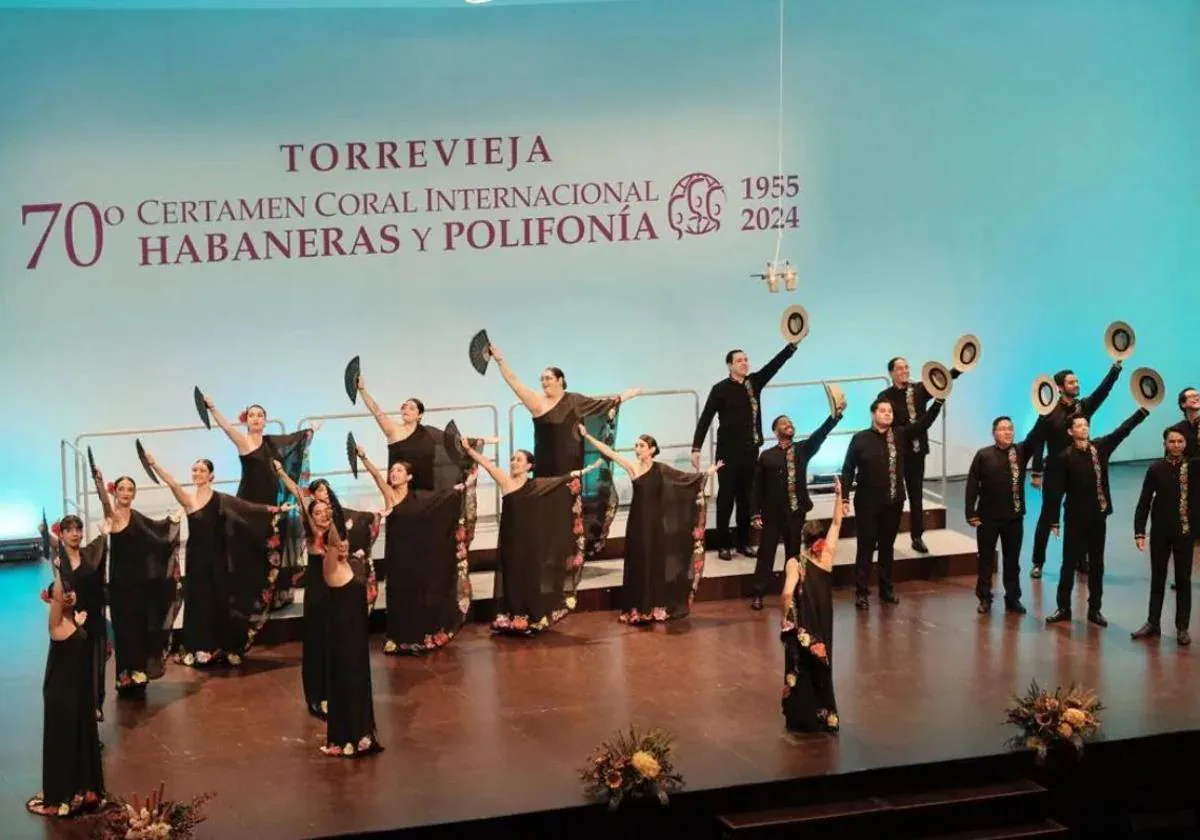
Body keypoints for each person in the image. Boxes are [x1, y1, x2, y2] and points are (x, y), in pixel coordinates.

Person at [140, 445, 291, 668]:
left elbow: (247, 508)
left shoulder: (222, 499)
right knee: (198, 601)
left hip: (219, 556)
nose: (197, 474)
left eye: (202, 470)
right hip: (196, 558)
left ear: (211, 475)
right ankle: (197, 647)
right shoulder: (189, 500)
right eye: (195, 470)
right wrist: (154, 465)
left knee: (220, 600)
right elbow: (172, 482)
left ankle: (223, 646)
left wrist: (276, 510)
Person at [486, 342, 639, 558]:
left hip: (570, 464)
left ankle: (569, 556)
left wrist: (623, 396)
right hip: (546, 467)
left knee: (569, 512)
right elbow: (514, 382)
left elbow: (601, 406)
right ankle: (547, 557)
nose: (544, 382)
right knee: (546, 511)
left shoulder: (574, 401)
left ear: (560, 380)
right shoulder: (537, 402)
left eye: (548, 378)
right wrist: (500, 360)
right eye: (542, 379)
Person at [578, 424, 720, 623]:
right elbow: (609, 452)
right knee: (638, 561)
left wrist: (709, 472)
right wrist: (588, 436)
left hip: (655, 522)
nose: (638, 449)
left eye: (642, 445)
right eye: (636, 445)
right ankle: (637, 608)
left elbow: (685, 479)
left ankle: (655, 606)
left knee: (655, 561)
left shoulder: (661, 469)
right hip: (637, 521)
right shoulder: (633, 468)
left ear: (652, 450)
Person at [460, 438, 601, 634]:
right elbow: (487, 464)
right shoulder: (506, 481)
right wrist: (469, 450)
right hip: (511, 538)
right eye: (512, 459)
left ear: (529, 466)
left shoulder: (537, 485)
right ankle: (512, 616)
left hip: (531, 539)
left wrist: (585, 471)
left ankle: (531, 616)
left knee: (530, 575)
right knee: (512, 574)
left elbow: (560, 481)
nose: (513, 462)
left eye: (518, 459)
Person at [198, 395, 316, 612]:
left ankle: (269, 595)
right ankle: (250, 597)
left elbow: (290, 442)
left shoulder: (270, 443)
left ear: (265, 420)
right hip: (249, 502)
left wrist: (309, 432)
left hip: (271, 502)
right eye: (251, 415)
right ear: (246, 420)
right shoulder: (244, 441)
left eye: (260, 415)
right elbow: (226, 428)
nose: (255, 418)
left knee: (270, 547)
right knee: (249, 548)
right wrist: (213, 408)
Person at [290, 480, 382, 758]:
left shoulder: (346, 562)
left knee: (357, 684)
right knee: (344, 682)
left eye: (344, 541)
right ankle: (346, 737)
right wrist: (317, 510)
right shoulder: (328, 557)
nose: (343, 543)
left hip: (355, 641)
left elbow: (336, 531)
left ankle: (362, 734)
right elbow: (322, 529)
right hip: (343, 637)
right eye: (339, 541)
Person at [351, 446, 473, 654]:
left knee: (418, 595)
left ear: (409, 477)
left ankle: (418, 636)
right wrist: (364, 457)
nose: (394, 474)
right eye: (392, 471)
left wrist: (463, 486)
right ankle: (398, 638)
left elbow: (444, 498)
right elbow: (375, 476)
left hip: (418, 554)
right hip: (398, 555)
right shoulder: (391, 496)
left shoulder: (421, 498)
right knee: (398, 594)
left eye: (399, 471)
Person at [691, 341, 801, 560]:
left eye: (746, 359)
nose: (744, 363)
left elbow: (774, 365)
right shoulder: (720, 389)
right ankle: (724, 544)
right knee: (726, 498)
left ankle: (743, 542)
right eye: (739, 360)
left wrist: (792, 346)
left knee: (746, 499)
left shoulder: (754, 383)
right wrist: (696, 448)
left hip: (750, 452)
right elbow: (705, 419)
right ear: (730, 365)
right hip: (727, 453)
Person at [1045, 406, 1150, 627]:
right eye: (1079, 426)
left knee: (1097, 563)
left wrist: (1141, 412)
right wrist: (1053, 519)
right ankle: (1063, 607)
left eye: (1086, 425)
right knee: (1068, 563)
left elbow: (1122, 431)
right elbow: (1056, 491)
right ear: (1070, 432)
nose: (1084, 428)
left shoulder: (1100, 448)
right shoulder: (1064, 457)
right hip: (1074, 517)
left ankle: (1095, 609)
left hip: (1097, 517)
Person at [840, 396, 944, 611]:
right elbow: (848, 468)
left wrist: (938, 401)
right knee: (866, 547)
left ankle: (886, 589)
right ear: (873, 414)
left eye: (890, 411)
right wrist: (844, 498)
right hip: (867, 503)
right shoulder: (860, 438)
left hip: (893, 501)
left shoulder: (899, 434)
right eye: (883, 411)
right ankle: (861, 592)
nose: (887, 414)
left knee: (887, 547)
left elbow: (923, 423)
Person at [90, 464, 182, 698]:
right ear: (115, 492)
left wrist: (171, 522)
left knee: (140, 630)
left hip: (141, 583)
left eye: (130, 489)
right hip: (122, 585)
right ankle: (125, 678)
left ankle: (139, 675)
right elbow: (104, 503)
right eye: (122, 488)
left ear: (134, 493)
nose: (126, 492)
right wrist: (99, 482)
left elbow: (156, 533)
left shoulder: (138, 517)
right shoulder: (112, 515)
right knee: (125, 631)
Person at [749, 399, 845, 611]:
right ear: (775, 430)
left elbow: (820, 435)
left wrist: (834, 417)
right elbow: (757, 488)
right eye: (784, 423)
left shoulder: (802, 449)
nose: (789, 424)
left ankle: (793, 592)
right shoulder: (766, 456)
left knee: (793, 554)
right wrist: (755, 513)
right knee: (766, 553)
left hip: (795, 512)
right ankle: (758, 593)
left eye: (790, 422)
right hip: (772, 513)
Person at [25, 565, 106, 818]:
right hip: (61, 695)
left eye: (73, 592)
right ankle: (61, 794)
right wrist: (59, 568)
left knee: (82, 740)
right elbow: (59, 594)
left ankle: (83, 789)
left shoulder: (74, 621)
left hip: (79, 693)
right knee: (63, 743)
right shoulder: (57, 625)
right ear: (55, 601)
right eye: (64, 594)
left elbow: (71, 602)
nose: (69, 595)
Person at [1028, 362, 1122, 578]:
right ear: (1060, 387)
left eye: (1077, 381)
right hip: (1055, 470)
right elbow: (1038, 441)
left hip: (1081, 470)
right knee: (1047, 516)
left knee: (1081, 515)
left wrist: (1115, 369)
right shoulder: (1048, 411)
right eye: (1071, 382)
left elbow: (1102, 392)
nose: (1076, 384)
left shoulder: (1084, 407)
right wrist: (1036, 471)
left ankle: (1081, 559)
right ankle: (1038, 562)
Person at [876, 358, 960, 554]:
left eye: (907, 367)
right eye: (900, 368)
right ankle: (883, 536)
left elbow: (941, 378)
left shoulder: (919, 390)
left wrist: (959, 367)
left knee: (916, 496)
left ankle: (917, 537)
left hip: (917, 452)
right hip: (896, 453)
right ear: (891, 373)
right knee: (891, 497)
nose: (904, 371)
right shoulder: (885, 396)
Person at [781, 478, 845, 734]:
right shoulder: (827, 557)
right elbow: (838, 523)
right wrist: (839, 494)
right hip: (823, 619)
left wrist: (786, 619)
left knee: (800, 664)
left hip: (803, 623)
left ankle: (801, 716)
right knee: (822, 663)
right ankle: (825, 714)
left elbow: (787, 594)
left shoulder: (794, 563)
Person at [964, 417, 1042, 614]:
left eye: (1010, 429)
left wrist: (1044, 411)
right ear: (994, 433)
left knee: (1012, 560)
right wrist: (970, 511)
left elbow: (1036, 434)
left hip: (1014, 517)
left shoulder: (1021, 452)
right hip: (987, 517)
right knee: (986, 560)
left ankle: (1013, 598)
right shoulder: (983, 455)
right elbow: (972, 484)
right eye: (1003, 429)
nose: (1007, 432)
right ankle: (984, 598)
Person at [1131, 428, 1196, 645]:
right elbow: (1144, 501)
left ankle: (1182, 628)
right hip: (1160, 531)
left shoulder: (1195, 468)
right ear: (1165, 443)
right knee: (1158, 577)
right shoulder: (1156, 468)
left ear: (1185, 444)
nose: (1176, 445)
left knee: (1183, 580)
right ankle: (1153, 623)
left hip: (1185, 532)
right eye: (1172, 441)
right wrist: (1139, 531)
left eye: (1180, 441)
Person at [42, 513, 107, 719]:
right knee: (76, 674)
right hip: (73, 626)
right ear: (62, 534)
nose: (75, 534)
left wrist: (106, 529)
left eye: (78, 530)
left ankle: (93, 719)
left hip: (94, 621)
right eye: (69, 530)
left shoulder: (89, 555)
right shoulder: (60, 561)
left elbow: (103, 541)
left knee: (95, 672)